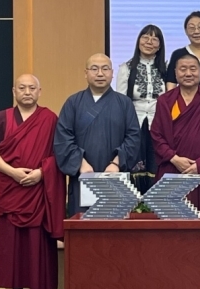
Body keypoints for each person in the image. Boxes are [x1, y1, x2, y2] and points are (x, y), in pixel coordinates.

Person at [0, 74, 66, 289]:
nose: (27, 92)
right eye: (22, 88)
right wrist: (13, 172)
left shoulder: (50, 119)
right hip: (11, 187)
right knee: (11, 240)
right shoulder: (2, 119)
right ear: (14, 91)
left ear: (40, 91)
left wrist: (41, 173)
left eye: (32, 88)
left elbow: (58, 154)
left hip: (38, 189)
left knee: (37, 240)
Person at [54, 53, 141, 216]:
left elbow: (134, 137)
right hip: (82, 176)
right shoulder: (73, 102)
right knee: (83, 225)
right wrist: (80, 163)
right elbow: (63, 138)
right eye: (94, 69)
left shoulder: (124, 103)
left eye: (105, 69)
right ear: (86, 73)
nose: (100, 73)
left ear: (112, 73)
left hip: (115, 177)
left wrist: (116, 163)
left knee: (115, 226)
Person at [151, 53, 200, 213]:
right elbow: (157, 135)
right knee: (171, 219)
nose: (188, 73)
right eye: (183, 69)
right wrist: (174, 158)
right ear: (175, 73)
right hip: (172, 167)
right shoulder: (165, 101)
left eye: (193, 69)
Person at [116, 25, 167, 193]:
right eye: (145, 37)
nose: (149, 42)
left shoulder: (166, 69)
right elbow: (121, 101)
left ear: (160, 45)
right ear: (138, 41)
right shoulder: (126, 68)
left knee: (156, 164)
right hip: (134, 123)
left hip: (159, 124)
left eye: (154, 39)